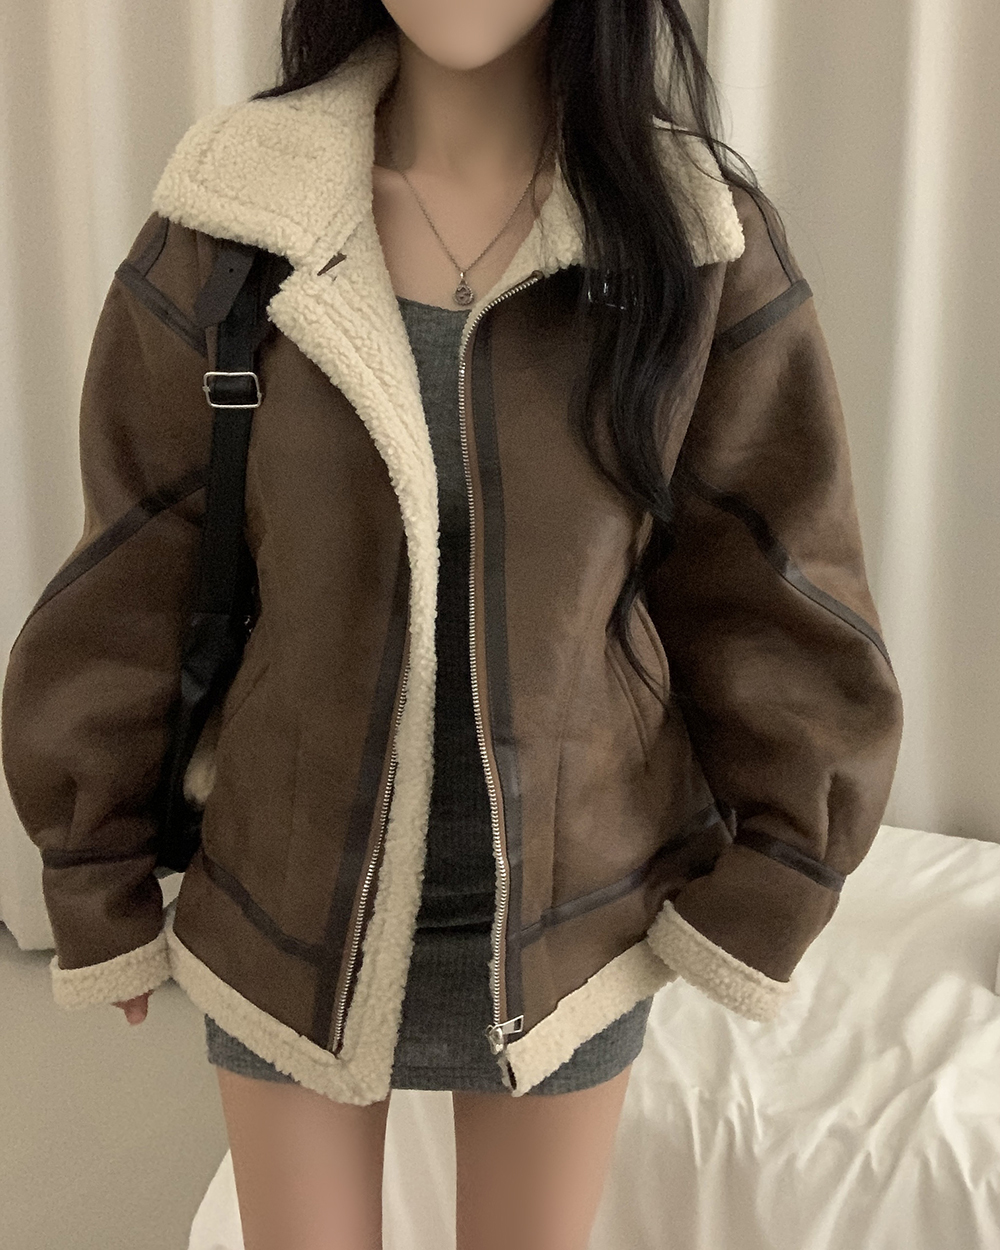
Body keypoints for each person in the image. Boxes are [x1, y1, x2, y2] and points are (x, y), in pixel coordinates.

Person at [0, 2, 904, 1248]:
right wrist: (92, 861)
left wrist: (779, 872)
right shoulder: (234, 222)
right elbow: (136, 564)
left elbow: (771, 586)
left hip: (571, 926)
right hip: (286, 910)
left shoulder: (692, 241)